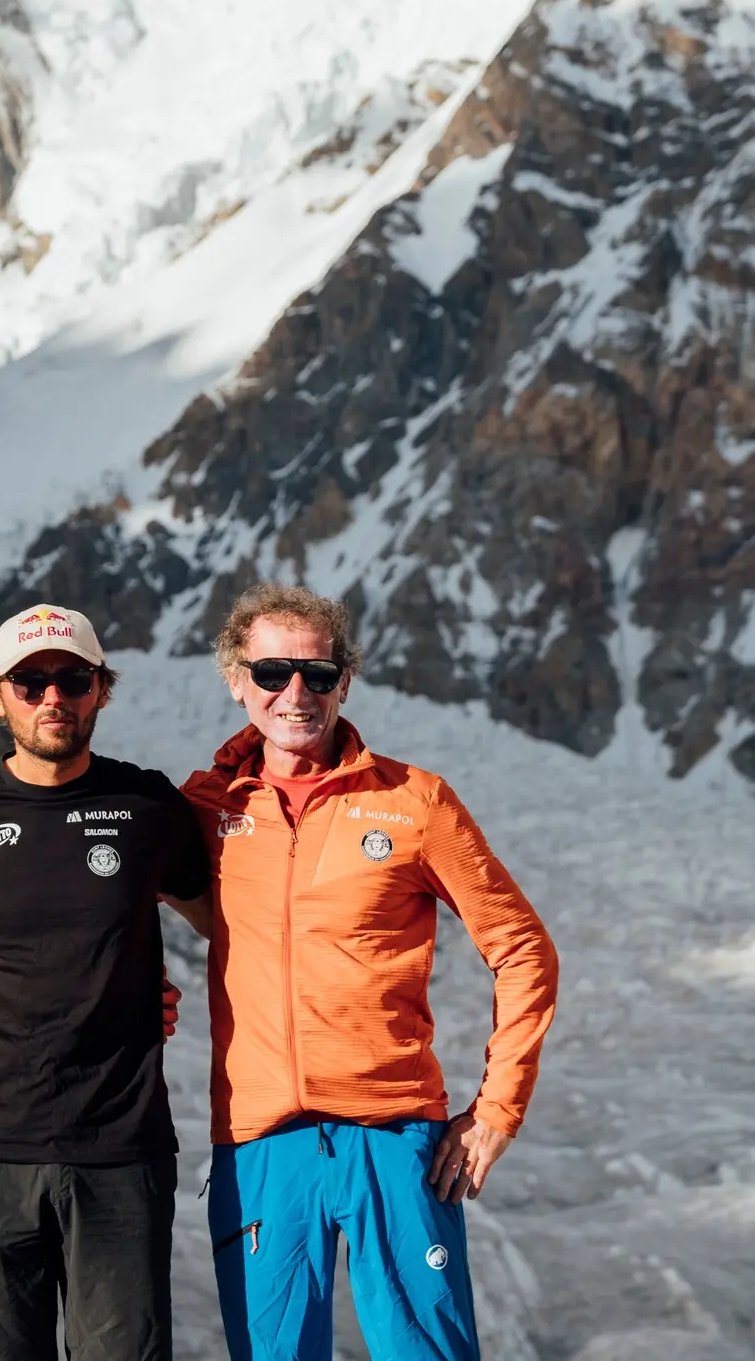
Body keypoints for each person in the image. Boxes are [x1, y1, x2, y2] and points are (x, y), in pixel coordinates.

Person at [183, 583, 559, 1361]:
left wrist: (498, 1111)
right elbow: (87, 910)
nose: (296, 694)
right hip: (260, 1147)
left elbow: (521, 947)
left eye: (318, 675)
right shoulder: (204, 808)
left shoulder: (414, 803)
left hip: (396, 1139)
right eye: (272, 673)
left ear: (345, 682)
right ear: (234, 679)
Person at [0, 603, 213, 1361]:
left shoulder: (148, 807)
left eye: (73, 679)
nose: (53, 698)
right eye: (31, 683)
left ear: (102, 688)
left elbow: (229, 926)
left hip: (120, 1148)